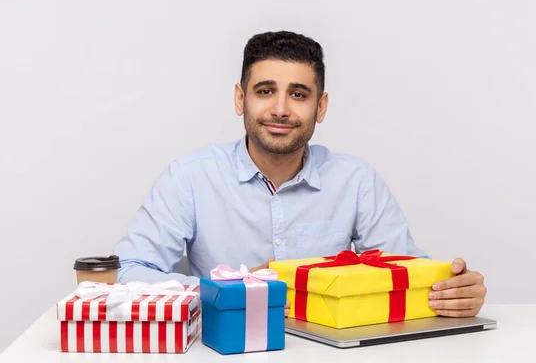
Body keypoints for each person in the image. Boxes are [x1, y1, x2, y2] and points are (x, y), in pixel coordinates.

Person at [113, 30, 487, 318]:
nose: (280, 109)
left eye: (298, 94)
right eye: (265, 91)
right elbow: (127, 272)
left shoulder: (355, 181)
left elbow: (405, 273)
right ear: (241, 99)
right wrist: (230, 289)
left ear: (320, 107)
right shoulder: (189, 178)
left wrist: (452, 291)